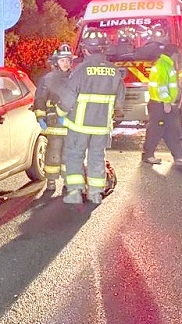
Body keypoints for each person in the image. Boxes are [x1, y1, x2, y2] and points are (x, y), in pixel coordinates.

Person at [57, 30, 125, 205]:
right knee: (97, 157)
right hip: (101, 127)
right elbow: (119, 102)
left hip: (78, 126)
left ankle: (74, 192)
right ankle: (95, 193)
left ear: (85, 50)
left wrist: (60, 113)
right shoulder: (114, 72)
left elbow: (68, 98)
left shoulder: (80, 70)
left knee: (74, 156)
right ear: (103, 49)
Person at [142, 43, 182, 165]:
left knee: (172, 129)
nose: (178, 57)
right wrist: (166, 102)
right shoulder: (162, 65)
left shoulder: (165, 64)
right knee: (156, 130)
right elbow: (162, 86)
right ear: (173, 54)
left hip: (164, 104)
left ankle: (179, 154)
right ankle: (148, 155)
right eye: (177, 54)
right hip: (160, 104)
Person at [32, 43, 73, 192]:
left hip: (71, 123)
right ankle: (51, 182)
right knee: (53, 152)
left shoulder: (75, 78)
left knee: (69, 153)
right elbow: (40, 99)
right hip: (54, 123)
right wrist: (40, 118)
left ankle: (68, 181)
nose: (66, 63)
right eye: (63, 60)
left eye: (68, 60)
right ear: (56, 62)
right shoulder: (48, 79)